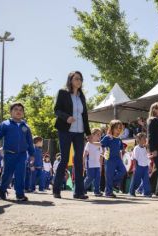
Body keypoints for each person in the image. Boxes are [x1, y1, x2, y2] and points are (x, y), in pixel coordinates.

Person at [53, 71, 91, 200]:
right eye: (76, 79)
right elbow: (56, 110)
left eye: (80, 79)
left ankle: (79, 192)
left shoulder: (82, 96)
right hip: (65, 130)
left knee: (78, 161)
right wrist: (66, 117)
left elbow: (85, 116)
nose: (79, 81)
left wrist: (88, 133)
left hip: (79, 132)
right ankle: (56, 189)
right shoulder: (63, 93)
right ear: (70, 80)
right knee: (64, 159)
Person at [0, 102, 35, 201]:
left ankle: (20, 194)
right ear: (10, 112)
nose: (18, 111)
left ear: (23, 113)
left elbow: (30, 142)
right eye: (15, 109)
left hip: (22, 155)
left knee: (20, 174)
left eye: (20, 110)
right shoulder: (5, 124)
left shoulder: (26, 127)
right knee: (7, 174)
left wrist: (32, 154)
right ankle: (2, 191)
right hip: (9, 154)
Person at [100, 120, 127, 198]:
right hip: (109, 159)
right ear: (112, 128)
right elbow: (101, 144)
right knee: (109, 176)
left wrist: (121, 159)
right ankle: (108, 192)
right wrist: (92, 142)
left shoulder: (119, 139)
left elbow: (120, 150)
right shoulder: (108, 137)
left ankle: (112, 184)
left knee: (123, 171)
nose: (118, 130)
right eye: (117, 128)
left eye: (120, 128)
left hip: (118, 159)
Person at [129, 133, 152, 197]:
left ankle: (147, 193)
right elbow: (134, 159)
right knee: (136, 181)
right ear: (139, 140)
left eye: (145, 138)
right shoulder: (136, 148)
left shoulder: (145, 148)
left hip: (145, 167)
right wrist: (134, 167)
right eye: (143, 138)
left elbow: (147, 157)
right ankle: (132, 192)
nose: (145, 139)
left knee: (146, 180)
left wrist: (149, 165)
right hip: (138, 167)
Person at [83, 128, 103, 197]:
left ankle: (97, 191)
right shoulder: (88, 144)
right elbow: (85, 154)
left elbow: (101, 156)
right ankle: (82, 188)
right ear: (92, 135)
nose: (99, 136)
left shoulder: (99, 145)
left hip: (97, 165)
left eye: (100, 135)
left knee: (97, 178)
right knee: (90, 177)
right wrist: (83, 163)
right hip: (90, 164)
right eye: (97, 134)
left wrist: (101, 166)